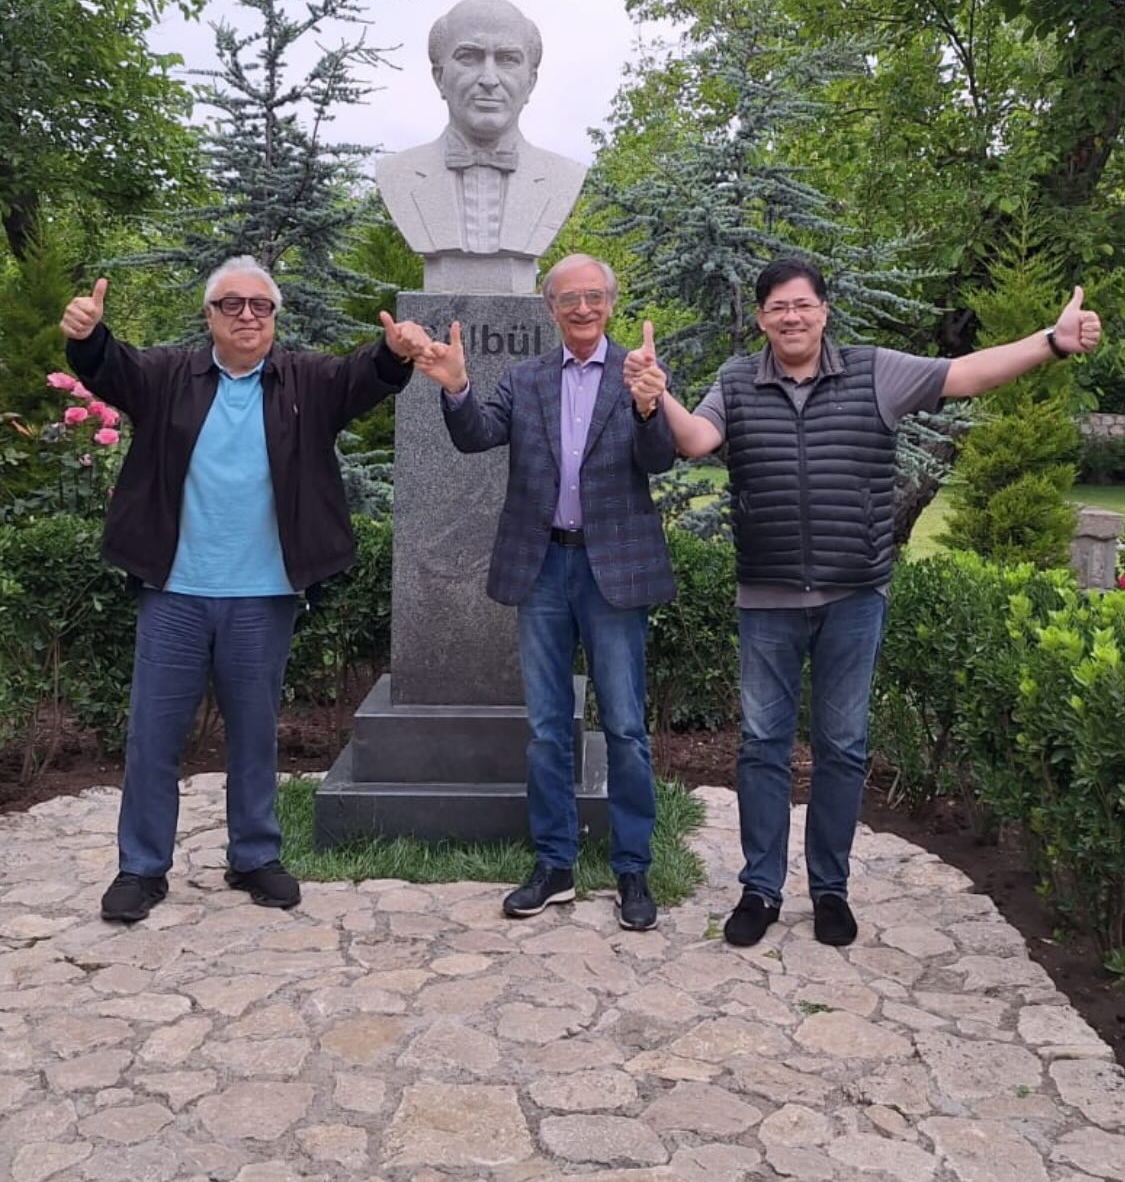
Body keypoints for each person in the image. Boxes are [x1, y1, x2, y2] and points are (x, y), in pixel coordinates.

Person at [623, 256, 1103, 950]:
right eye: (777, 307)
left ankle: (830, 890)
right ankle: (760, 889)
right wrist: (656, 394)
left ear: (823, 311)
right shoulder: (736, 379)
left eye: (802, 305)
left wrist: (1050, 342)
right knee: (761, 746)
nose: (791, 317)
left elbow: (966, 374)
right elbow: (696, 440)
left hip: (853, 595)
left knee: (842, 747)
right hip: (767, 597)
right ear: (761, 318)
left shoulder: (875, 371)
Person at [60, 259, 433, 925]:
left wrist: (393, 351)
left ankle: (255, 855)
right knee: (153, 737)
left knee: (255, 734)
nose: (247, 316)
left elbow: (362, 377)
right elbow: (112, 367)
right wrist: (88, 336)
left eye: (261, 305)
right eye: (231, 304)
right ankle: (141, 868)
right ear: (209, 316)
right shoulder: (168, 376)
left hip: (263, 594)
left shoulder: (305, 380)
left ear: (274, 318)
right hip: (175, 590)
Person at [415, 254, 677, 929]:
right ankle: (555, 863)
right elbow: (477, 436)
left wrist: (649, 407)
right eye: (568, 298)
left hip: (613, 570)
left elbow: (658, 459)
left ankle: (632, 868)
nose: (582, 308)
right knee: (546, 727)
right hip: (543, 568)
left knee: (625, 727)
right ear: (550, 308)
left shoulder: (637, 374)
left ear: (610, 303)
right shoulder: (526, 379)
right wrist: (457, 387)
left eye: (593, 296)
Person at [376, 0, 585, 281]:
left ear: (531, 82)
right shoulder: (397, 174)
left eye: (507, 60)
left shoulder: (562, 177)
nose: (489, 79)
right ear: (439, 77)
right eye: (469, 57)